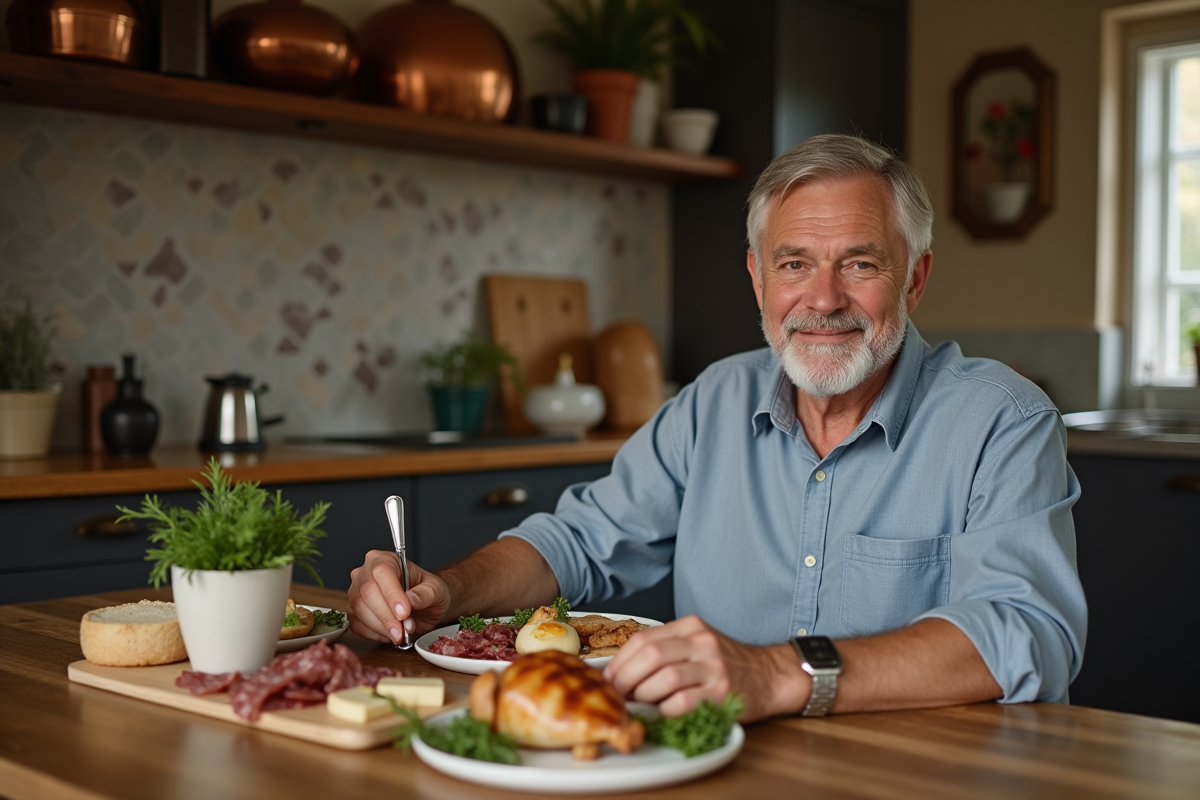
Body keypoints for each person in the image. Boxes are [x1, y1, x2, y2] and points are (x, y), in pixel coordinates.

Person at [348, 134, 1086, 722]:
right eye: (794, 264)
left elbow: (1026, 634)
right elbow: (575, 543)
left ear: (915, 279)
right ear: (759, 280)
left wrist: (773, 673)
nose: (822, 299)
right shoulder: (713, 402)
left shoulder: (1002, 420)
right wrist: (446, 588)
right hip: (714, 761)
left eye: (859, 263)